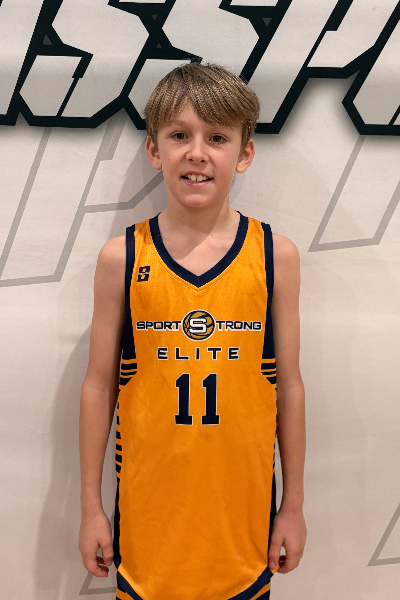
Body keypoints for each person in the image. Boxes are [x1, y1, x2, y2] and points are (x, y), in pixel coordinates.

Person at [78, 61, 307, 600]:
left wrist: (293, 505)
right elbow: (98, 387)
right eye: (179, 135)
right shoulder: (121, 257)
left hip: (243, 522)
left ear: (244, 154)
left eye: (217, 138)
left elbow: (288, 386)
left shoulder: (274, 256)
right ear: (154, 150)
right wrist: (90, 507)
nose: (197, 153)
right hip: (148, 523)